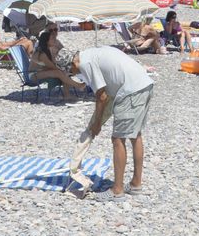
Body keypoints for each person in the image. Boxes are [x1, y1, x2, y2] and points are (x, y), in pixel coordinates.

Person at [59, 47, 155, 201]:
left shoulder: (85, 64)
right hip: (144, 84)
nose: (75, 74)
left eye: (72, 71)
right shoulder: (92, 53)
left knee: (118, 139)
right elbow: (108, 90)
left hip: (131, 90)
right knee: (135, 135)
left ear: (72, 64)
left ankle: (117, 190)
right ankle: (136, 184)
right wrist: (97, 121)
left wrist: (97, 123)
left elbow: (102, 96)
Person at [30, 29, 86, 101]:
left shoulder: (47, 51)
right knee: (59, 72)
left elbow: (53, 64)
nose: (54, 40)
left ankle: (68, 94)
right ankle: (78, 86)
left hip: (42, 72)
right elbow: (52, 66)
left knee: (63, 71)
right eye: (52, 39)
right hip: (33, 75)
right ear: (47, 41)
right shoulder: (42, 54)